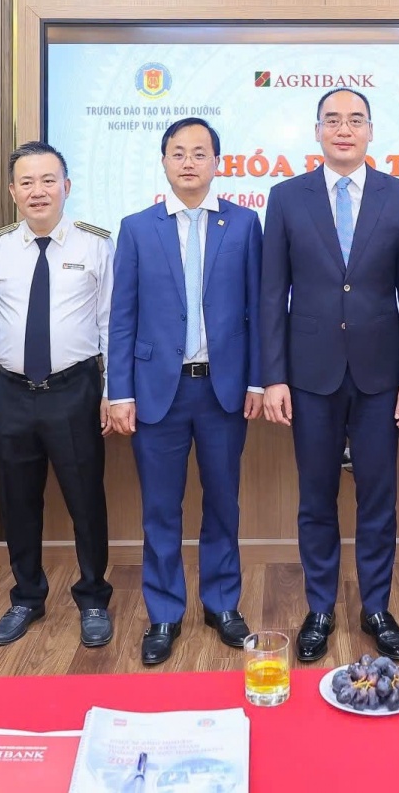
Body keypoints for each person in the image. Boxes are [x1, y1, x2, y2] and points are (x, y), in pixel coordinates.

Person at [259, 87, 399, 664]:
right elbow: (271, 294)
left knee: (379, 497)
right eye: (332, 120)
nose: (343, 129)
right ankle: (319, 608)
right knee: (316, 497)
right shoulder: (286, 197)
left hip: (382, 374)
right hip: (310, 374)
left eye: (355, 120)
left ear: (370, 131)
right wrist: (274, 376)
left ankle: (376, 607)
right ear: (317, 131)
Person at [107, 118, 263, 664]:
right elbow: (122, 316)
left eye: (200, 153)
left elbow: (259, 309)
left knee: (223, 502)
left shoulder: (243, 224)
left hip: (222, 389)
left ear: (217, 162)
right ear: (164, 162)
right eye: (179, 153)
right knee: (160, 509)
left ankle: (222, 604)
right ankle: (165, 612)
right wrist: (119, 391)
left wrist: (257, 379)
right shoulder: (136, 228)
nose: (189, 162)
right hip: (157, 392)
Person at [0, 141, 116, 650]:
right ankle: (27, 597)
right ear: (12, 191)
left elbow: (110, 324)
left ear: (67, 187)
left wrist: (112, 391)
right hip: (10, 392)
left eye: (48, 180)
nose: (38, 191)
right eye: (27, 182)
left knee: (85, 500)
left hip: (75, 390)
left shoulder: (96, 246)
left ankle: (93, 598)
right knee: (18, 502)